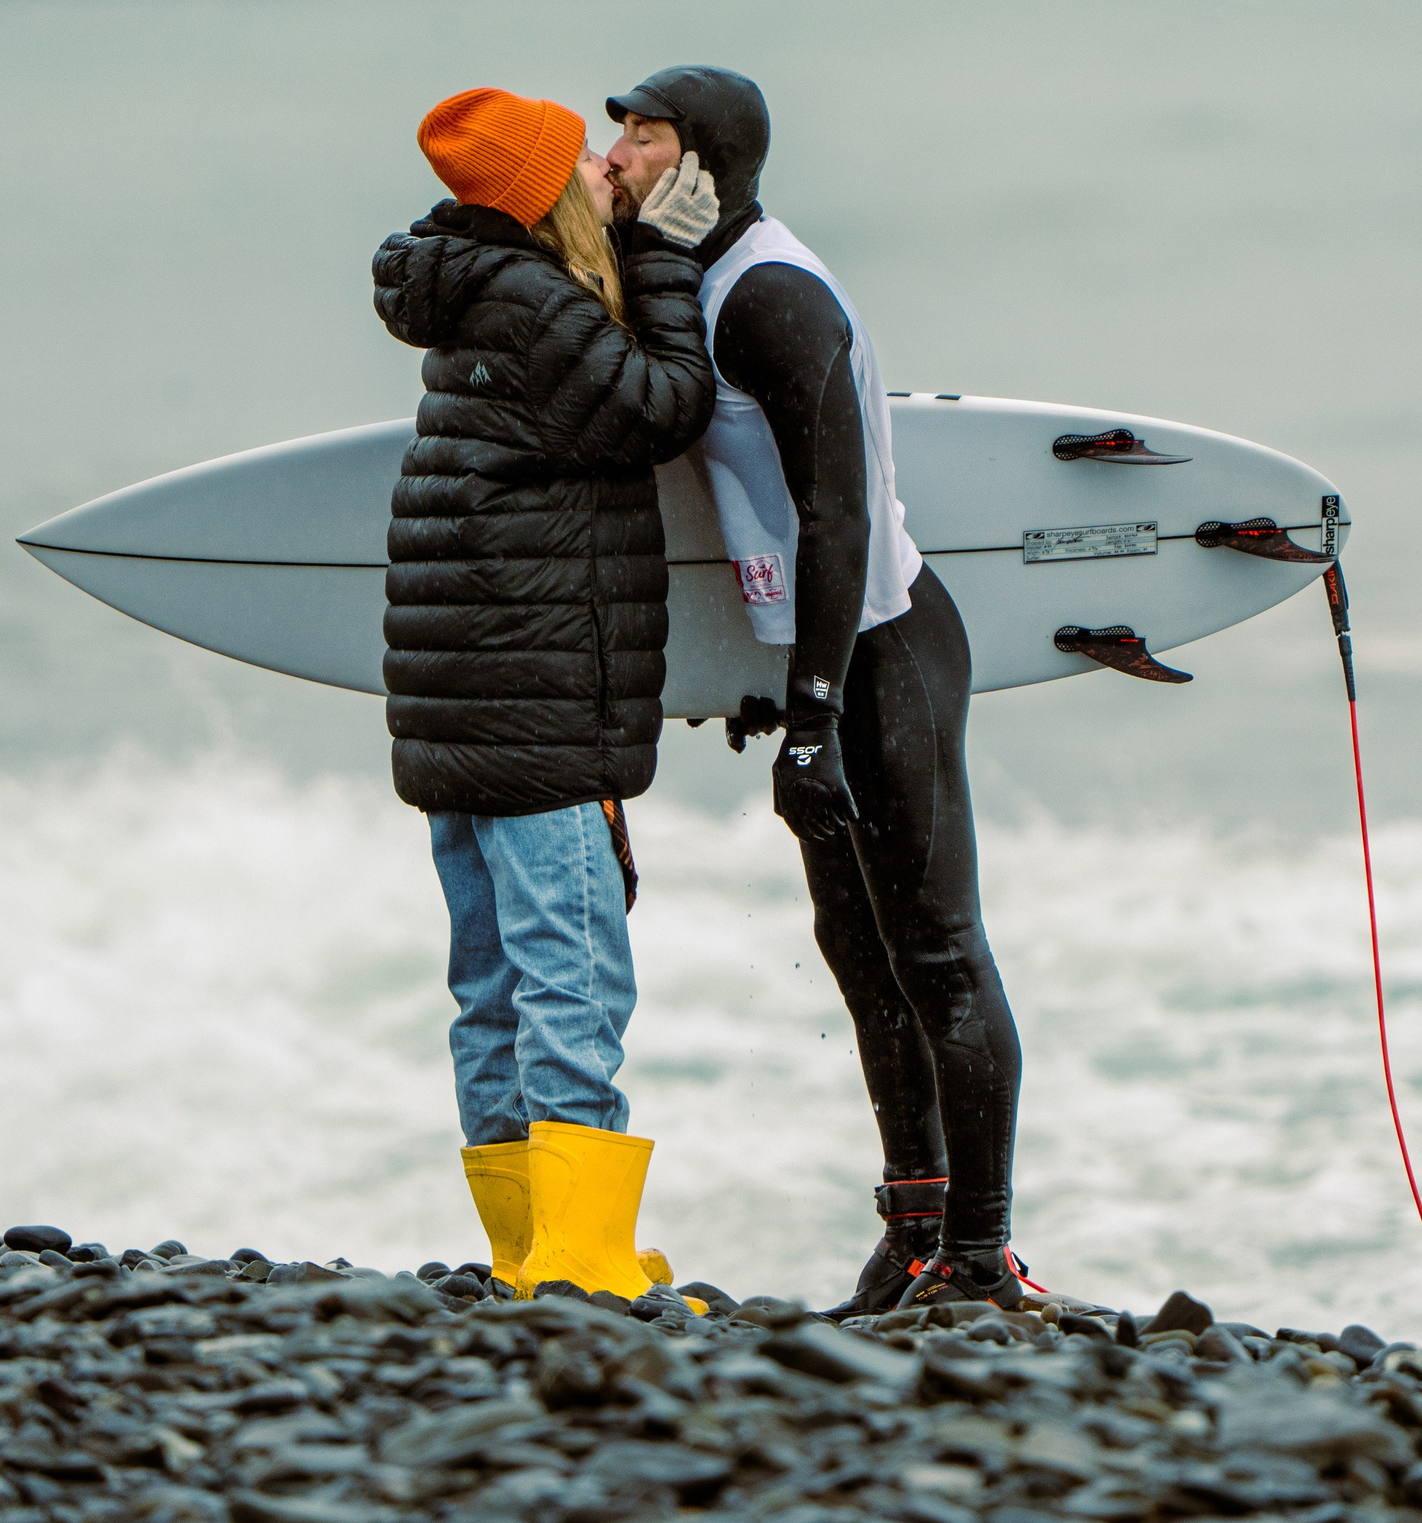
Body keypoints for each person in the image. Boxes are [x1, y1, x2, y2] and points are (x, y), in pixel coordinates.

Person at [603, 67, 1029, 1312]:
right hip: (822, 659)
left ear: (707, 165)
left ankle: (979, 1258)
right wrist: (770, 682)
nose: (614, 150)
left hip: (885, 650)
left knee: (937, 955)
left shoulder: (775, 297)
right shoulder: (699, 280)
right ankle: (912, 1232)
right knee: (857, 953)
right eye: (616, 128)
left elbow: (837, 515)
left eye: (643, 133)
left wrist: (820, 708)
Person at [371, 86, 719, 1302]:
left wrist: (627, 252)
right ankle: (578, 1256)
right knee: (573, 969)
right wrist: (669, 260)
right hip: (534, 712)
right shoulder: (532, 302)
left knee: (492, 984)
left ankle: (525, 1250)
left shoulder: (473, 291)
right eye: (587, 159)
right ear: (543, 193)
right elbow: (661, 407)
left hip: (458, 707)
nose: (607, 171)